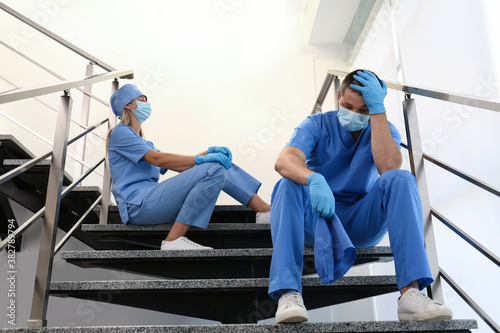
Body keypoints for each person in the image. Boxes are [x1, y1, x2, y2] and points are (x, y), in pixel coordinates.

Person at [268, 69, 453, 323]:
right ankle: (288, 293)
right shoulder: (317, 124)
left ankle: (410, 293)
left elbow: (389, 168)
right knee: (286, 185)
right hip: (319, 220)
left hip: (360, 221)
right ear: (338, 96)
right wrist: (313, 178)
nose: (354, 114)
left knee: (401, 178)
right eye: (348, 106)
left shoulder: (383, 128)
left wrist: (378, 112)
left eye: (364, 109)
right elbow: (285, 160)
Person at [107, 84, 270, 250]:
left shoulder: (145, 143)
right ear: (127, 105)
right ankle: (174, 239)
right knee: (213, 167)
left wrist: (207, 154)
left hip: (154, 202)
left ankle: (264, 210)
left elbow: (181, 167)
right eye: (141, 99)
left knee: (218, 165)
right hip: (137, 205)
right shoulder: (120, 132)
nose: (146, 104)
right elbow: (158, 160)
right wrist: (202, 160)